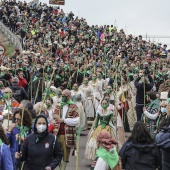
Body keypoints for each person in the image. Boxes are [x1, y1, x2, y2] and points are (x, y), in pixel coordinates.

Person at [52, 89, 79, 170]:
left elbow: (77, 120)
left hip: (67, 134)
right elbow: (54, 116)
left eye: (64, 95)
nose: (62, 97)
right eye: (62, 95)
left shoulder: (74, 106)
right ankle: (60, 168)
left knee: (65, 154)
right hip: (57, 133)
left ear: (69, 96)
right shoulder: (58, 105)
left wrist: (65, 120)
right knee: (56, 153)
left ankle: (63, 168)